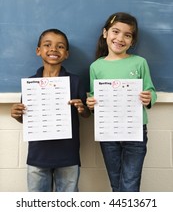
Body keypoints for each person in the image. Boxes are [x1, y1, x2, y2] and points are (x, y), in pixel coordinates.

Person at [11, 28, 90, 192]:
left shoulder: (75, 82)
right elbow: (25, 118)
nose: (54, 49)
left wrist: (82, 109)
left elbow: (86, 114)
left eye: (60, 46)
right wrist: (16, 115)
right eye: (47, 45)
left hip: (68, 155)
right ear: (38, 51)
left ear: (66, 54)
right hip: (38, 156)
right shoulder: (30, 84)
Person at [86, 12, 157, 192]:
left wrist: (149, 97)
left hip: (135, 131)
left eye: (127, 35)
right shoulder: (96, 66)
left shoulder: (139, 63)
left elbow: (150, 90)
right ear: (105, 33)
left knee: (130, 183)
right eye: (115, 32)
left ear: (132, 41)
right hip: (108, 132)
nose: (120, 38)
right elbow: (94, 95)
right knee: (115, 183)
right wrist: (91, 103)